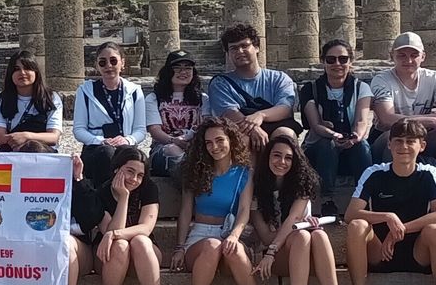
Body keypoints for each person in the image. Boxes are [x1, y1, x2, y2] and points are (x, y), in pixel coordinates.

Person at [344, 119, 436, 285]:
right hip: (380, 251)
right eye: (398, 141)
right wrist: (389, 217)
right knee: (357, 226)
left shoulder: (429, 173)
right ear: (389, 145)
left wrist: (401, 229)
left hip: (418, 251)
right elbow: (350, 213)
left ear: (422, 146)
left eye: (410, 141)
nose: (404, 147)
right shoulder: (374, 172)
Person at [249, 131, 360, 285]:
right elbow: (265, 237)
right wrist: (279, 245)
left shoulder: (302, 184)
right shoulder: (257, 188)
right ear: (267, 157)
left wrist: (299, 228)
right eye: (276, 155)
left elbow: (292, 219)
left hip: (305, 253)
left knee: (317, 234)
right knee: (302, 235)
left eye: (288, 157)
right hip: (276, 258)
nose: (282, 161)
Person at [172, 117, 269, 285]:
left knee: (230, 248)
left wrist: (234, 235)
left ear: (231, 140)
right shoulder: (195, 171)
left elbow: (244, 210)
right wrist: (179, 247)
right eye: (208, 143)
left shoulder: (244, 173)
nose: (214, 147)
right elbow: (186, 211)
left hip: (229, 231)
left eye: (219, 140)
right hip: (199, 235)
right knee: (212, 245)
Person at [91, 144, 164, 285]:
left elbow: (146, 228)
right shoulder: (100, 193)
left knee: (139, 240)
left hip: (144, 253)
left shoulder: (149, 189)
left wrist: (114, 234)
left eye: (140, 175)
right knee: (121, 245)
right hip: (110, 256)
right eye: (129, 171)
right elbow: (110, 234)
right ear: (117, 168)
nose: (134, 179)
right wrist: (124, 197)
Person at [369, 32, 436, 170]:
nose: (408, 60)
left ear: (423, 57)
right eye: (402, 55)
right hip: (386, 138)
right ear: (392, 56)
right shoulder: (382, 80)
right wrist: (433, 120)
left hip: (423, 136)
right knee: (397, 136)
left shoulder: (434, 78)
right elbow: (387, 119)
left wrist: (425, 121)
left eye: (414, 55)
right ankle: (393, 183)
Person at [300, 39, 374, 212]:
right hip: (318, 150)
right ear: (323, 61)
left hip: (349, 147)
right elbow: (316, 125)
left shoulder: (361, 88)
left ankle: (366, 197)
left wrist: (355, 136)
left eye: (343, 59)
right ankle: (327, 200)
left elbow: (362, 121)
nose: (337, 64)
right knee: (328, 145)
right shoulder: (310, 89)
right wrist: (334, 135)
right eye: (331, 59)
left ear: (351, 61)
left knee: (362, 145)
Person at [206, 23, 298, 148]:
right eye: (233, 48)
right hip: (242, 132)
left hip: (276, 127)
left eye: (244, 46)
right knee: (244, 137)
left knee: (285, 134)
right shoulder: (220, 83)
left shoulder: (279, 78)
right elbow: (229, 113)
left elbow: (285, 108)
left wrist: (260, 115)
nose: (239, 51)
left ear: (257, 47)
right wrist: (254, 129)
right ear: (228, 53)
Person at [72, 42, 147, 183]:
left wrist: (127, 139)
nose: (108, 66)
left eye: (113, 61)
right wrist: (101, 141)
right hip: (96, 148)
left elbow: (140, 131)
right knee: (106, 154)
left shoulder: (135, 91)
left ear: (122, 63)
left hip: (126, 146)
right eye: (102, 62)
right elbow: (79, 130)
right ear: (97, 66)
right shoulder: (85, 91)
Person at [145, 50, 204, 179]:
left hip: (195, 146)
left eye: (188, 68)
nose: (183, 72)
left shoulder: (203, 99)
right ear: (167, 71)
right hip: (164, 147)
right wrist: (174, 141)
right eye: (177, 68)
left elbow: (207, 124)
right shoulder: (153, 98)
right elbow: (154, 130)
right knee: (173, 151)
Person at [0, 51, 63, 153]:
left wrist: (26, 137)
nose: (22, 73)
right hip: (12, 151)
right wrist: (15, 140)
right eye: (17, 69)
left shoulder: (51, 99)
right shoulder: (2, 100)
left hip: (42, 152)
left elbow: (53, 137)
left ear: (36, 72)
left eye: (27, 68)